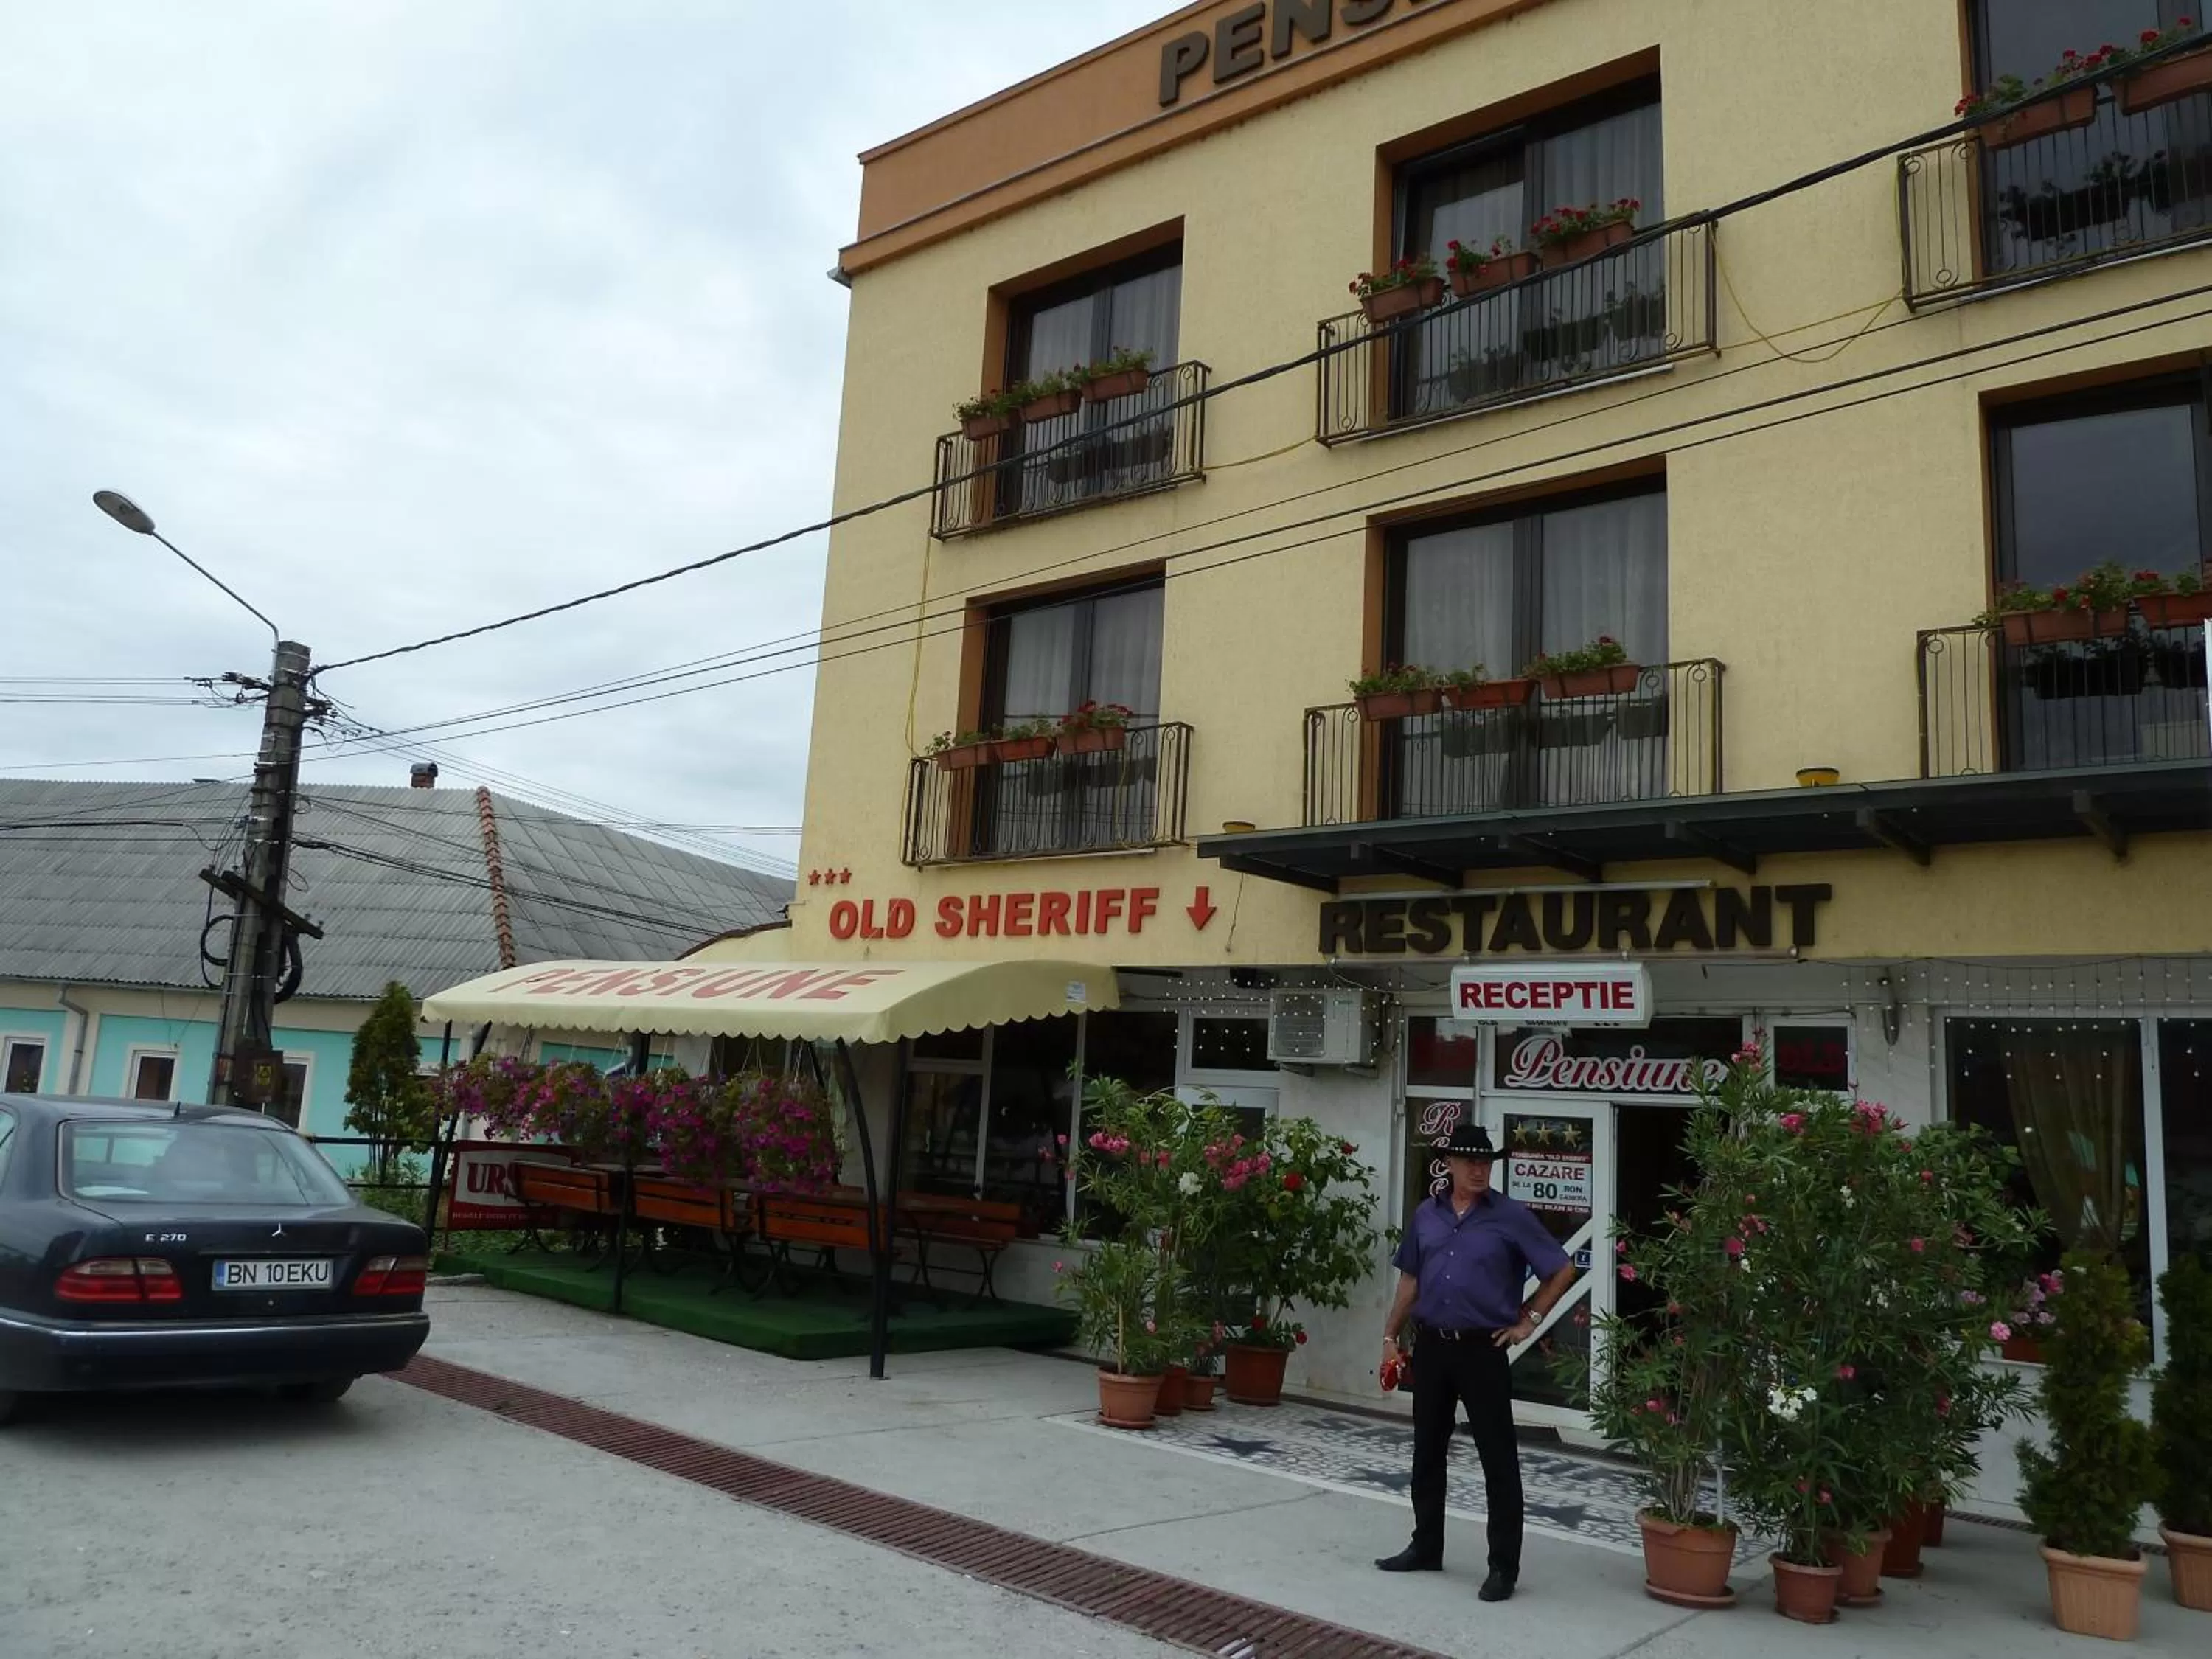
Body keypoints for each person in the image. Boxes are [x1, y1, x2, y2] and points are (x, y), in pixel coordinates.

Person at [1374, 1119, 1579, 1601]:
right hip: (1432, 1346)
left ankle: (1503, 1567)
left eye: (1485, 1162)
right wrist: (1389, 1335)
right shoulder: (1427, 1214)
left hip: (1483, 1350)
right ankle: (1426, 1546)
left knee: (1497, 1458)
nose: (1479, 1169)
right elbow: (1410, 1281)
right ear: (1449, 1163)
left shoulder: (1510, 1216)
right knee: (1427, 1451)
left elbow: (1562, 1269)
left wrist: (1529, 1320)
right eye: (1469, 1161)